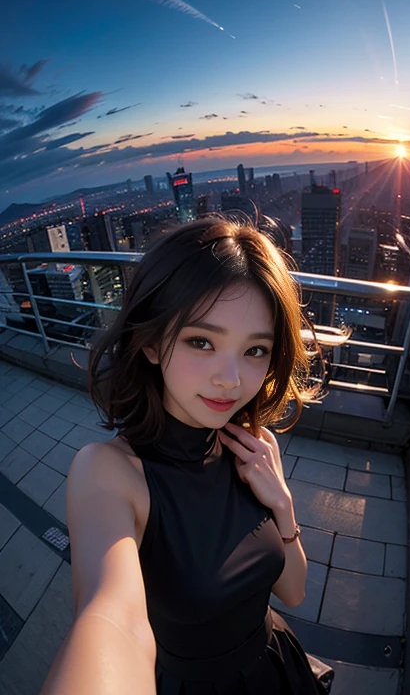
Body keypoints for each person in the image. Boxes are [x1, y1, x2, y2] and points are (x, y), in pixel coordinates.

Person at [40, 213, 334, 695]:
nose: (231, 379)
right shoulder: (111, 473)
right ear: (153, 342)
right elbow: (111, 619)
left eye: (254, 350)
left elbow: (294, 591)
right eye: (202, 341)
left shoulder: (257, 446)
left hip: (276, 668)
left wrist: (281, 505)